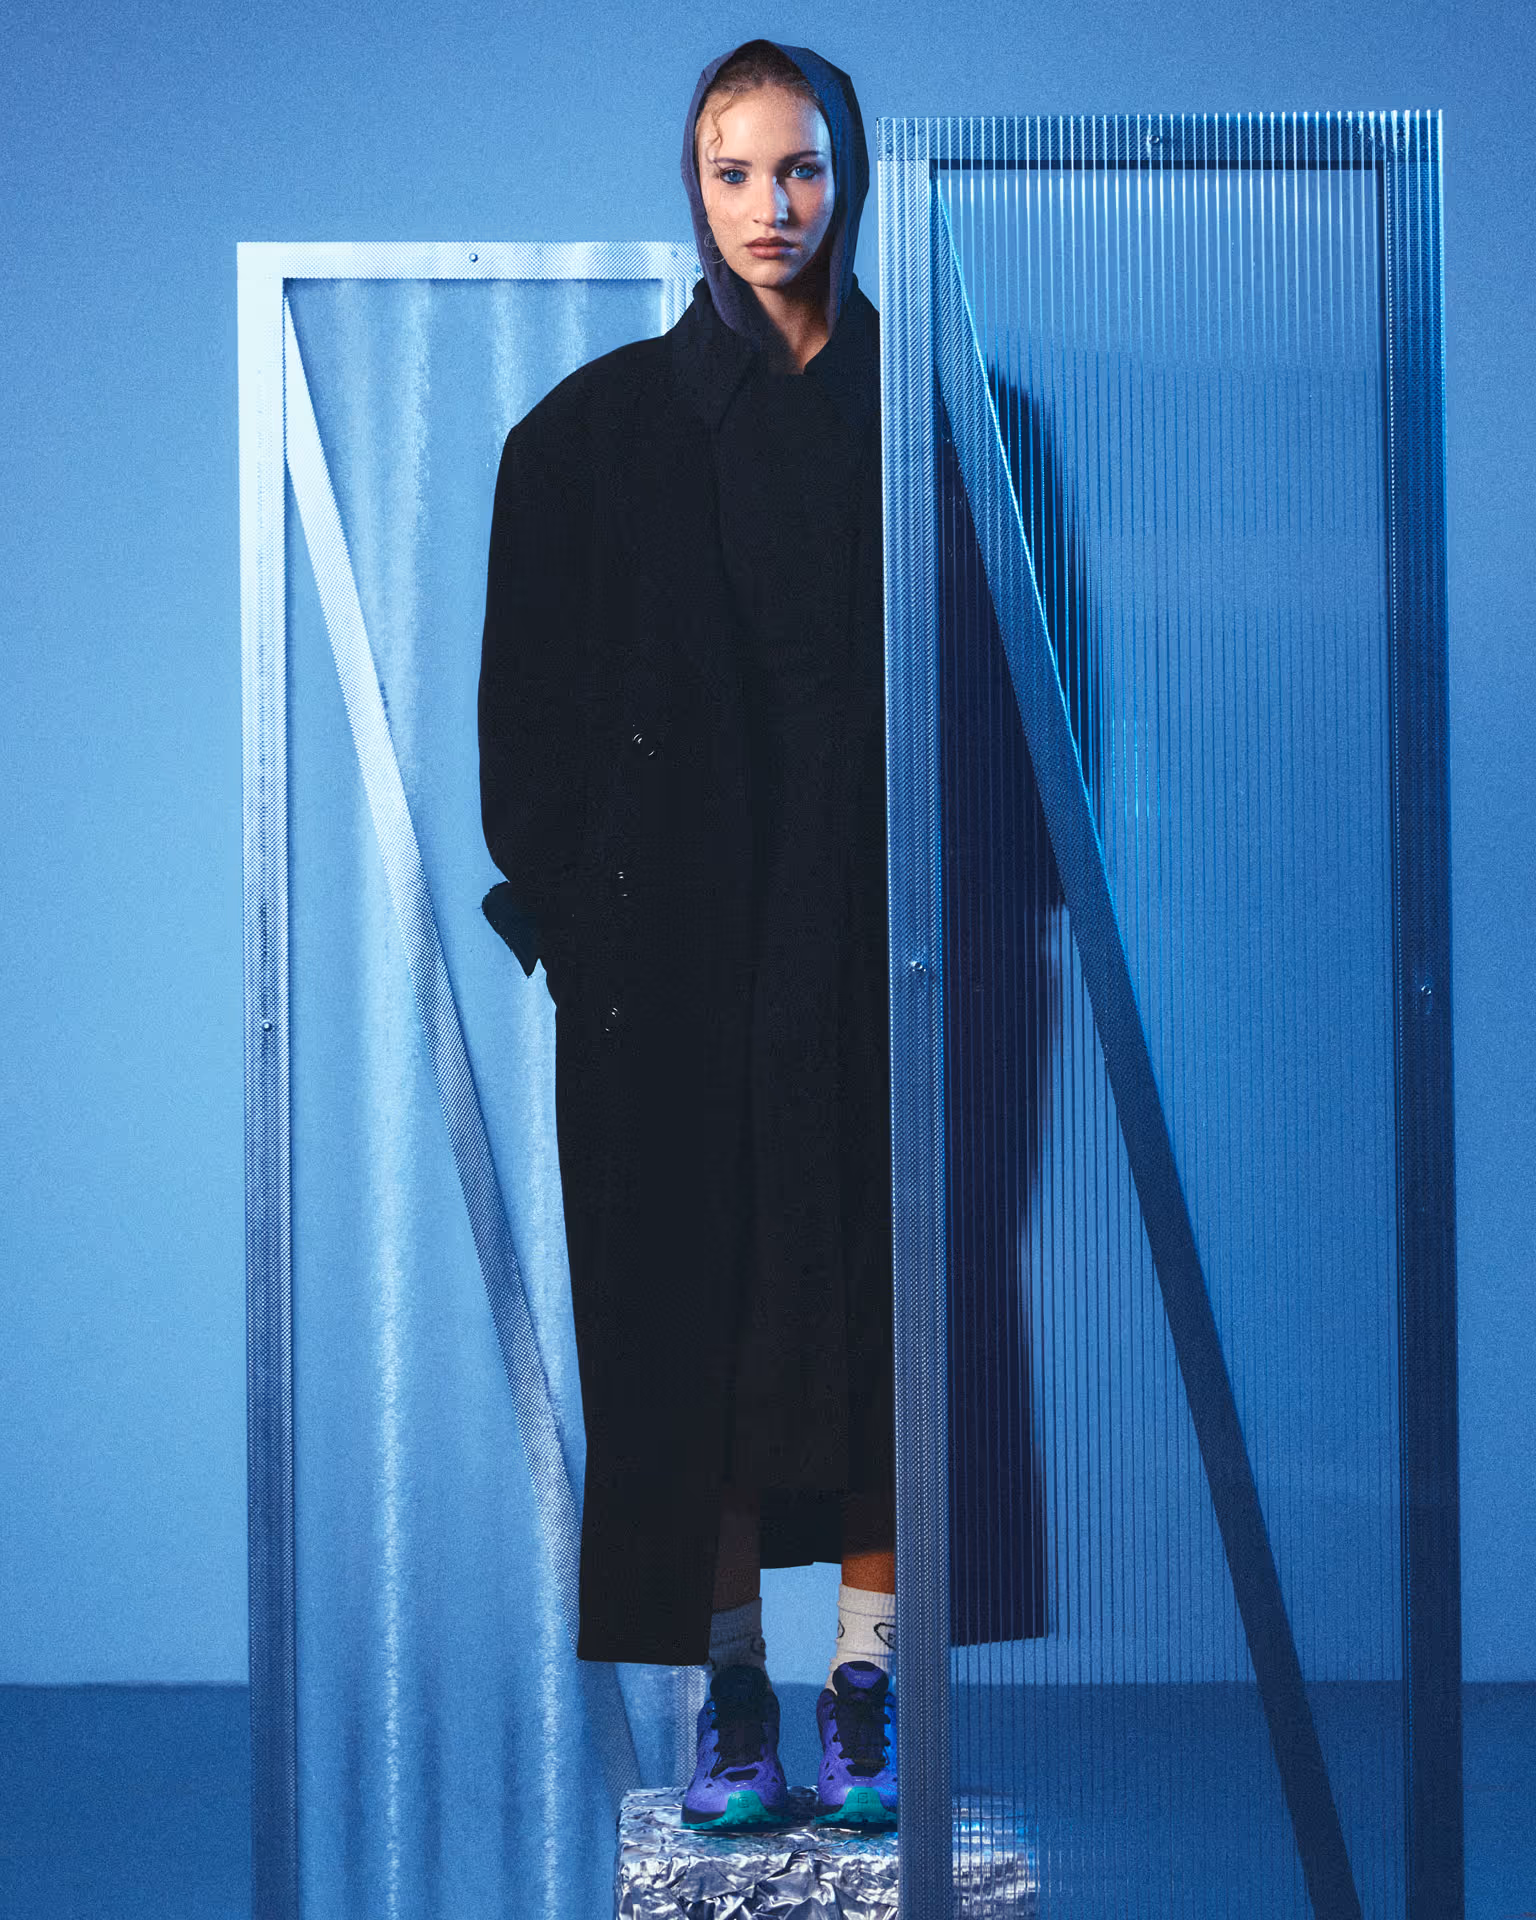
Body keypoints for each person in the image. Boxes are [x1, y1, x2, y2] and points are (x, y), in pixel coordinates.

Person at [477, 38, 896, 1832]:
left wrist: (1001, 943)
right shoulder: (586, 437)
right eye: (736, 172)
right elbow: (521, 733)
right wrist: (592, 937)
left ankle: (870, 1686)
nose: (770, 207)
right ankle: (732, 1694)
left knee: (889, 1315)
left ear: (849, 176)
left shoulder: (936, 413)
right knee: (684, 1329)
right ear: (693, 187)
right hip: (673, 971)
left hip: (888, 951)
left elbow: (1042, 699)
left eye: (800, 168)